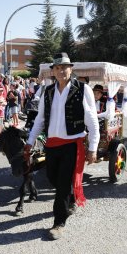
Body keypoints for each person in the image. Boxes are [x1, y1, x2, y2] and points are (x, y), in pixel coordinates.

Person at [24, 53, 100, 240]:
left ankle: (59, 222)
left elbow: (92, 121)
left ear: (71, 69)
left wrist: (93, 147)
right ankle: (71, 198)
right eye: (57, 68)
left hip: (72, 145)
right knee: (52, 178)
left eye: (64, 67)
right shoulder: (48, 91)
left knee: (63, 184)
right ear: (53, 71)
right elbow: (40, 119)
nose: (61, 70)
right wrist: (29, 141)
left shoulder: (83, 89)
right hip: (52, 144)